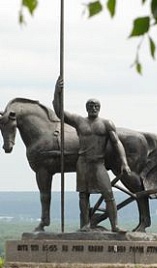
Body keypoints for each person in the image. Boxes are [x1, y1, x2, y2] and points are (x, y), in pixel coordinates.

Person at [53, 77, 130, 232]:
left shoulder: (106, 123)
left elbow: (116, 143)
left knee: (108, 193)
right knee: (83, 195)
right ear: (86, 107)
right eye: (90, 105)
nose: (93, 108)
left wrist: (124, 162)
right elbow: (59, 112)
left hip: (98, 163)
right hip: (83, 163)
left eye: (96, 106)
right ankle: (85, 225)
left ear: (99, 108)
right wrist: (58, 91)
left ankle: (114, 225)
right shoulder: (79, 121)